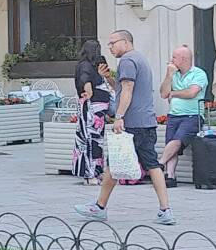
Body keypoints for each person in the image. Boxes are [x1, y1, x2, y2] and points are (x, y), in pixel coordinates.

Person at [75, 30, 175, 226]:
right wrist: (109, 79)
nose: (110, 47)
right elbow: (124, 88)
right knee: (144, 164)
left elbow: (127, 90)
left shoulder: (127, 61)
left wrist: (119, 117)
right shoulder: (140, 59)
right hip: (146, 121)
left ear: (126, 42)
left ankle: (100, 207)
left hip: (133, 123)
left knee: (122, 164)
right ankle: (165, 210)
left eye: (113, 43)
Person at [158, 45, 209, 188]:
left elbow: (192, 93)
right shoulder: (173, 74)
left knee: (177, 140)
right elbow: (163, 94)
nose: (171, 60)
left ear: (183, 59)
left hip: (192, 115)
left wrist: (173, 93)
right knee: (171, 144)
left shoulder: (198, 74)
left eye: (174, 57)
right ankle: (170, 176)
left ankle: (160, 164)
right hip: (174, 115)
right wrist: (169, 76)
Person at [72, 40, 114, 185]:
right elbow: (85, 79)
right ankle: (89, 174)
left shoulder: (95, 65)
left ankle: (97, 171)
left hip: (99, 111)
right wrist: (88, 91)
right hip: (91, 109)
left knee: (98, 141)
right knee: (89, 139)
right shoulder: (85, 66)